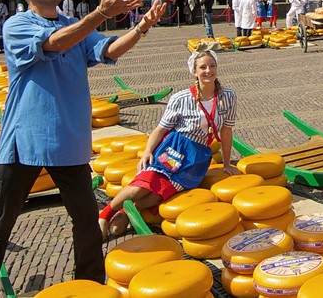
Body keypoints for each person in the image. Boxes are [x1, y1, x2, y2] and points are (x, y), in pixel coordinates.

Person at [0, 0, 165, 297]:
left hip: (69, 142)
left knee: (87, 221)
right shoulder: (17, 25)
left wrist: (141, 27)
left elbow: (109, 50)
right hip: (26, 140)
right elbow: (55, 44)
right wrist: (100, 14)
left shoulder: (72, 24)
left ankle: (89, 287)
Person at [99, 50, 239, 237]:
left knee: (158, 194)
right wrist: (148, 151)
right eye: (203, 67)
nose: (208, 70)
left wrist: (227, 164)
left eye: (212, 66)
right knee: (143, 186)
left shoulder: (228, 96)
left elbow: (226, 132)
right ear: (194, 72)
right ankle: (105, 215)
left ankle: (126, 211)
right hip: (174, 149)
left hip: (196, 158)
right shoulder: (181, 98)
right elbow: (160, 129)